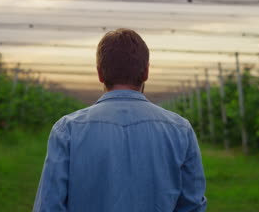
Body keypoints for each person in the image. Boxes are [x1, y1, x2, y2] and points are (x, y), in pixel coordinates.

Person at [32, 28, 207, 212]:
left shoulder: (68, 129)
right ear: (146, 71)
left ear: (100, 73)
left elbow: (49, 206)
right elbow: (192, 206)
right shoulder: (180, 130)